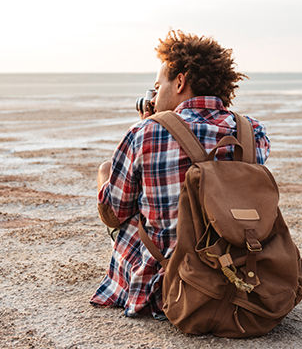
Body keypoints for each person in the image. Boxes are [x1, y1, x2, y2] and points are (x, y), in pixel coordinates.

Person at [90, 30, 271, 319]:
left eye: (157, 85)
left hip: (170, 285)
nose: (155, 93)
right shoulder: (252, 132)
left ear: (180, 82)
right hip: (235, 268)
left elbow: (115, 213)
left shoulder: (145, 132)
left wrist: (148, 126)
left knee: (108, 175)